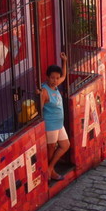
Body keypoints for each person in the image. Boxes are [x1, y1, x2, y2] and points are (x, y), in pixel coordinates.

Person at [39, 52, 70, 181]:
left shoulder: (56, 86)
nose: (56, 80)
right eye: (52, 78)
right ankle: (50, 171)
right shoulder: (44, 91)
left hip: (59, 124)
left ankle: (50, 168)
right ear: (47, 77)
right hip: (50, 125)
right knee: (51, 149)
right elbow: (39, 109)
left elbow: (63, 75)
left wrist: (64, 61)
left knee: (65, 145)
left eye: (56, 78)